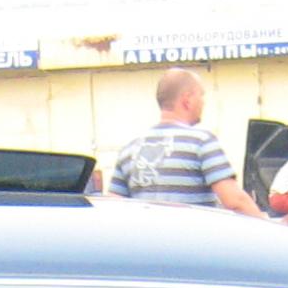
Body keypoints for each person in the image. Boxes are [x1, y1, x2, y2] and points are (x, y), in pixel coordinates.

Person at [112, 68, 261, 215]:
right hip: (193, 231)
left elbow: (114, 207)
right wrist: (265, 223)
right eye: (201, 96)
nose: (203, 103)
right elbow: (235, 201)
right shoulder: (201, 142)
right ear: (187, 99)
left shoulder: (129, 149)